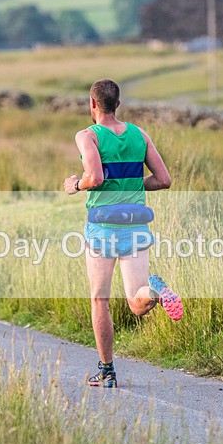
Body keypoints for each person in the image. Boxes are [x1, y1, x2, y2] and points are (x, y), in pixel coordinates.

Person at [63, 79, 183, 389]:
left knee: (99, 299)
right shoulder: (139, 135)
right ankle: (156, 291)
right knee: (136, 301)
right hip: (136, 225)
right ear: (118, 104)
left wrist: (75, 185)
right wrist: (132, 184)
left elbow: (96, 176)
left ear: (92, 105)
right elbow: (164, 179)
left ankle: (107, 371)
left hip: (103, 227)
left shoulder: (87, 136)